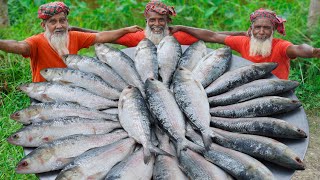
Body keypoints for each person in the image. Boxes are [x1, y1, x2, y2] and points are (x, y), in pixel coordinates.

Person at [0, 1, 143, 83]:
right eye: (53, 22)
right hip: (43, 94)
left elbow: (101, 36)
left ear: (67, 21)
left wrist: (125, 30)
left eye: (62, 20)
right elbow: (17, 45)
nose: (59, 26)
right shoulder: (36, 42)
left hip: (71, 89)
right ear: (44, 26)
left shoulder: (73, 36)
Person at [170, 8, 320, 79]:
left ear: (273, 29)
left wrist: (313, 52)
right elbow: (212, 35)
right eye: (258, 28)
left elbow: (299, 49)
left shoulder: (281, 46)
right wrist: (182, 27)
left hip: (277, 91)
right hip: (249, 86)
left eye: (267, 28)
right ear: (251, 29)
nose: (262, 32)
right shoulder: (243, 42)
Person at [70, 0, 246, 47]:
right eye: (152, 20)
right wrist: (76, 29)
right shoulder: (138, 37)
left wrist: (243, 34)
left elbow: (214, 36)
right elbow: (101, 36)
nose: (156, 24)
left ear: (168, 21)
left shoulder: (178, 36)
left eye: (161, 20)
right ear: (146, 21)